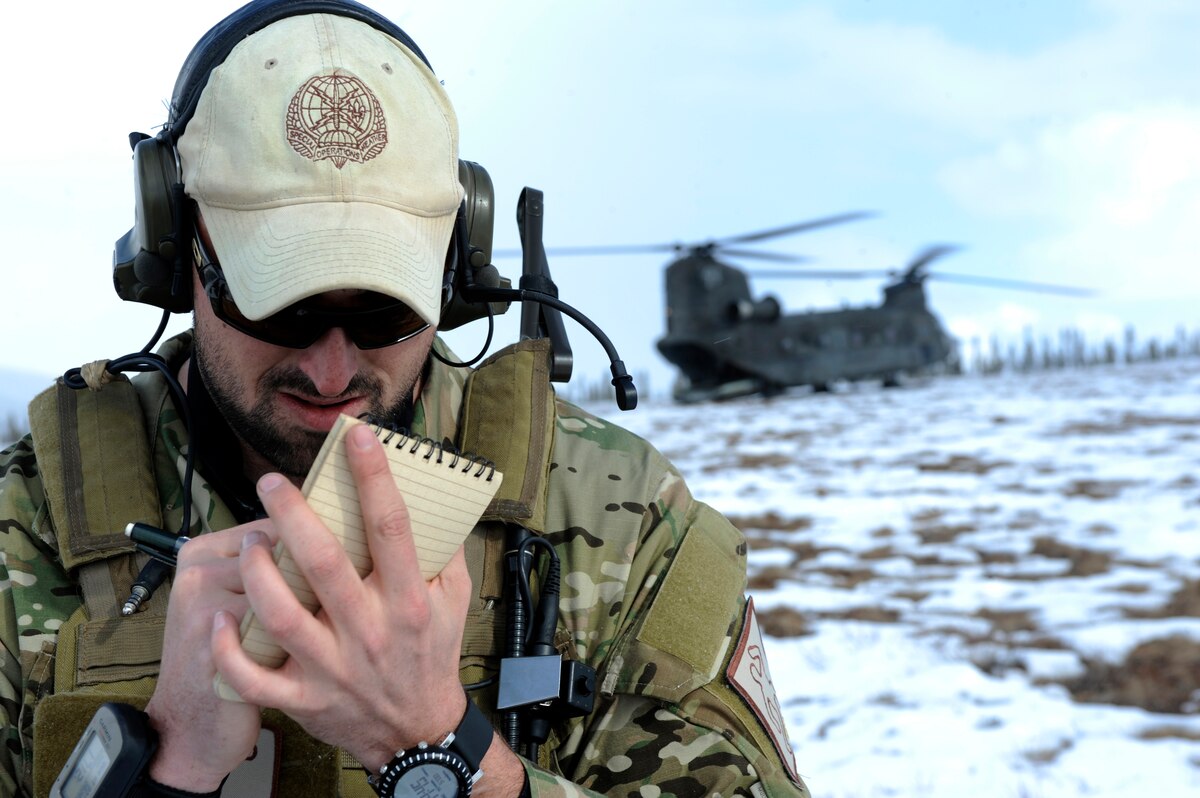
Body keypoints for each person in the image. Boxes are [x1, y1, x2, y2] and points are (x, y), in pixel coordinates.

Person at [0, 1, 810, 796]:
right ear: (177, 252)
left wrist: (444, 750)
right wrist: (164, 768)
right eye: (279, 309)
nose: (331, 373)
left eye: (386, 313)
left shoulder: (617, 519)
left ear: (454, 279)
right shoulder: (23, 528)